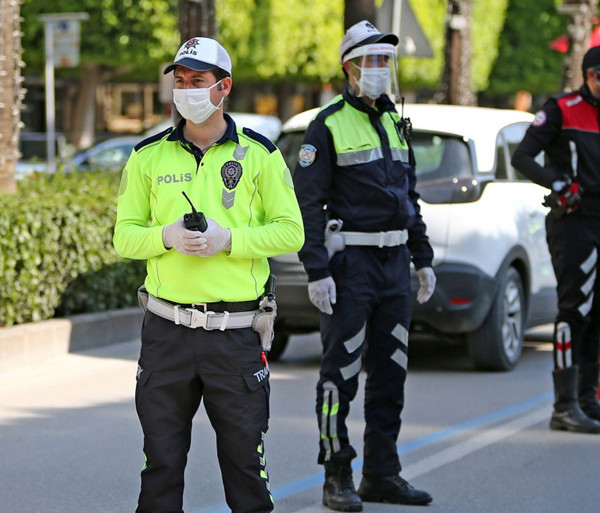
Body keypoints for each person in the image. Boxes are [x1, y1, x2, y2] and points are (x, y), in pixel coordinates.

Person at [113, 37, 304, 513]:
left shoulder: (260, 155)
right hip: (166, 334)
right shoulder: (147, 156)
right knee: (160, 465)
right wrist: (167, 236)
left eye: (197, 81)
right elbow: (124, 238)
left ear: (224, 87)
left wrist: (228, 240)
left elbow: (291, 232)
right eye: (179, 81)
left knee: (245, 468)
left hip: (235, 335)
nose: (186, 90)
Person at [292, 20, 436, 512]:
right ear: (349, 68)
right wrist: (316, 271)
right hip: (351, 267)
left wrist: (423, 258)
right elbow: (306, 206)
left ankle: (382, 473)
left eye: (386, 61)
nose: (381, 70)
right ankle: (337, 476)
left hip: (395, 265)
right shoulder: (326, 125)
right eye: (371, 61)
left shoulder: (397, 122)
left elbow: (408, 198)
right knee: (340, 375)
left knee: (391, 373)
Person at [512, 45, 600, 434]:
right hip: (573, 223)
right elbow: (523, 157)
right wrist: (558, 184)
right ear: (592, 75)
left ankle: (588, 400)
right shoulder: (561, 109)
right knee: (574, 311)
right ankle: (564, 406)